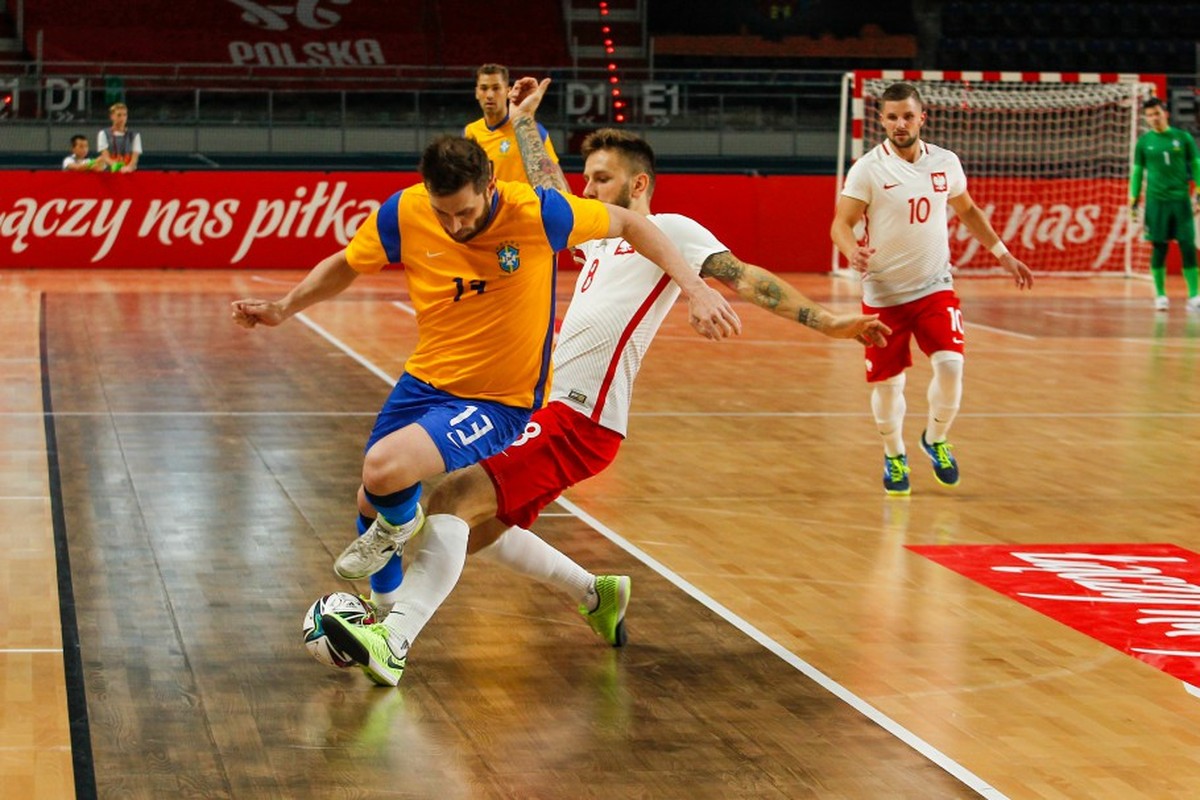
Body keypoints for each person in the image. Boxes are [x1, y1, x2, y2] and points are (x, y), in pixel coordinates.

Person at [320, 78, 888, 686]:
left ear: (638, 185)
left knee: (452, 501)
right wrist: (523, 127)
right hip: (556, 409)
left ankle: (393, 636)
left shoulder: (671, 231)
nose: (586, 188)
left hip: (581, 415)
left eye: (600, 179)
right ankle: (597, 594)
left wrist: (829, 322)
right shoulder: (600, 245)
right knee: (475, 524)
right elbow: (548, 194)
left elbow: (745, 278)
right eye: (586, 179)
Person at [232, 134, 741, 687]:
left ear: (490, 187)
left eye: (466, 212)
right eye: (442, 213)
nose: (454, 226)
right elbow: (350, 262)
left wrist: (697, 288)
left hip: (501, 400)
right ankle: (588, 592)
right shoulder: (405, 210)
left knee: (425, 490)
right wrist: (284, 307)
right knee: (381, 496)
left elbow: (636, 225)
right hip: (425, 379)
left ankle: (392, 633)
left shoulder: (538, 213)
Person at [830, 81, 1033, 496]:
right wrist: (852, 250)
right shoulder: (868, 169)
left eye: (907, 115)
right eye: (891, 117)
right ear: (881, 121)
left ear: (922, 117)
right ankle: (894, 453)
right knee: (889, 385)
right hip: (884, 295)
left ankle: (936, 439)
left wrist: (1003, 254)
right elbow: (840, 223)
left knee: (952, 366)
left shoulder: (946, 162)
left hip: (934, 285)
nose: (900, 124)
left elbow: (969, 210)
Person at [1130, 97, 1200, 313]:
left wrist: (1199, 190)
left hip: (1180, 202)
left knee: (1188, 247)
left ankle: (1195, 296)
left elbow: (1196, 164)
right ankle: (1160, 295)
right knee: (1159, 247)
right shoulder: (1144, 142)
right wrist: (1133, 200)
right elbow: (1138, 172)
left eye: (1157, 113)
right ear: (1146, 118)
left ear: (1165, 113)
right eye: (1150, 115)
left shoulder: (1183, 138)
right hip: (1156, 202)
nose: (1154, 118)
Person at [463, 63, 559, 184]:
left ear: (508, 91)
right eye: (484, 88)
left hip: (524, 202)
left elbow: (555, 176)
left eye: (496, 88)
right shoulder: (470, 132)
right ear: (476, 92)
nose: (490, 95)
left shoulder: (529, 130)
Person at [98, 102, 142, 173]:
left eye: (125, 115)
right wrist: (117, 166)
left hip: (128, 173)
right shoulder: (103, 134)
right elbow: (105, 157)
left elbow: (135, 158)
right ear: (112, 116)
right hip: (109, 173)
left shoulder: (135, 135)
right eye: (119, 115)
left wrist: (128, 168)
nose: (122, 118)